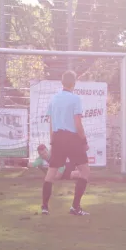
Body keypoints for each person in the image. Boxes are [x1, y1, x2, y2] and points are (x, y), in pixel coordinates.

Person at [41, 70, 90, 216]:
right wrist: (84, 141)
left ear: (62, 82)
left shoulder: (54, 99)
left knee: (51, 173)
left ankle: (44, 207)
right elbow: (77, 123)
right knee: (85, 171)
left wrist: (52, 139)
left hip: (57, 138)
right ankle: (75, 207)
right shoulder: (75, 99)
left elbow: (51, 123)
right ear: (74, 83)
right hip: (72, 139)